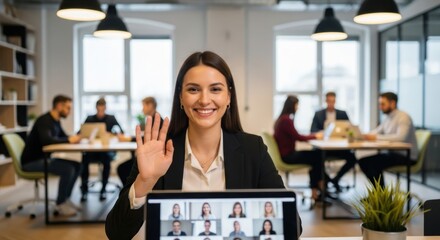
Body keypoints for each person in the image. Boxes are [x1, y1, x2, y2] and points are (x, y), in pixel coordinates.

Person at [105, 51, 302, 239]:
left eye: (215, 89)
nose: (205, 100)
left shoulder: (253, 149)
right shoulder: (160, 151)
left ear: (229, 97)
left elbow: (295, 226)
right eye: (193, 89)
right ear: (181, 98)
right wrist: (145, 182)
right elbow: (117, 234)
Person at [21, 95, 81, 216]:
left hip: (44, 159)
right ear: (59, 106)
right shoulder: (44, 120)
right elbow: (47, 140)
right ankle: (60, 204)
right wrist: (69, 140)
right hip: (32, 162)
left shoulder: (56, 121)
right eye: (68, 108)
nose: (69, 111)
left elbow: (64, 137)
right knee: (68, 169)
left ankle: (65, 199)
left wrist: (74, 138)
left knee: (77, 165)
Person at [359, 92, 418, 187]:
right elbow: (376, 131)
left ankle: (382, 196)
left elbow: (401, 138)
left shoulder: (403, 117)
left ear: (393, 103)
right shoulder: (388, 118)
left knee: (373, 163)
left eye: (383, 104)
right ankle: (379, 194)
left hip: (406, 156)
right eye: (380, 104)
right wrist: (363, 135)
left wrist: (376, 137)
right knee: (363, 161)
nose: (380, 107)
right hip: (393, 154)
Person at [274, 95, 324, 201]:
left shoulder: (282, 119)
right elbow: (298, 137)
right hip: (288, 156)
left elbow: (296, 136)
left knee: (316, 156)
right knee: (318, 156)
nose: (298, 107)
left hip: (287, 154)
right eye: (297, 105)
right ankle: (318, 187)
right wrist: (316, 136)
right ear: (292, 106)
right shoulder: (286, 120)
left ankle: (317, 187)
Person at [310, 92, 357, 192]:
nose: (331, 103)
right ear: (326, 101)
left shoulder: (342, 113)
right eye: (329, 101)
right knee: (316, 158)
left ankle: (336, 179)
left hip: (339, 148)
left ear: (335, 101)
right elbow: (313, 130)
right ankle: (326, 181)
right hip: (324, 149)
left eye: (333, 101)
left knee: (353, 158)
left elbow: (350, 129)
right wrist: (322, 133)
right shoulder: (318, 114)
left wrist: (346, 134)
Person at [80, 97, 125, 202]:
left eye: (102, 109)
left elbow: (121, 131)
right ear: (96, 108)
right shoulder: (89, 118)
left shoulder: (111, 118)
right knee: (84, 157)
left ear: (105, 108)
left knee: (106, 158)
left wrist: (113, 133)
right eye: (99, 109)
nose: (100, 112)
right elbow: (80, 132)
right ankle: (84, 190)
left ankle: (103, 188)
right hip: (92, 151)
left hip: (106, 151)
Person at [116, 96, 163, 186]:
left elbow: (148, 139)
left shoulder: (156, 120)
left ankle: (129, 191)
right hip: (151, 156)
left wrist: (128, 139)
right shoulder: (153, 118)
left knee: (121, 169)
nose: (142, 110)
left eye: (143, 106)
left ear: (150, 105)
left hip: (152, 158)